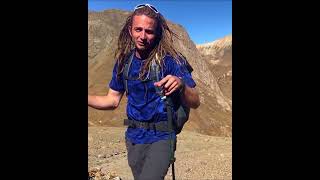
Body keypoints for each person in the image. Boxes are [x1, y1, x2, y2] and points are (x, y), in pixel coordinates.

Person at [88, 3, 200, 180]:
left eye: (149, 31)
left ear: (157, 33)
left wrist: (181, 85)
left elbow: (195, 101)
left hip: (162, 136)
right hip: (133, 138)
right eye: (138, 29)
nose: (142, 36)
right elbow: (111, 100)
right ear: (130, 30)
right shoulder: (124, 61)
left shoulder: (171, 60)